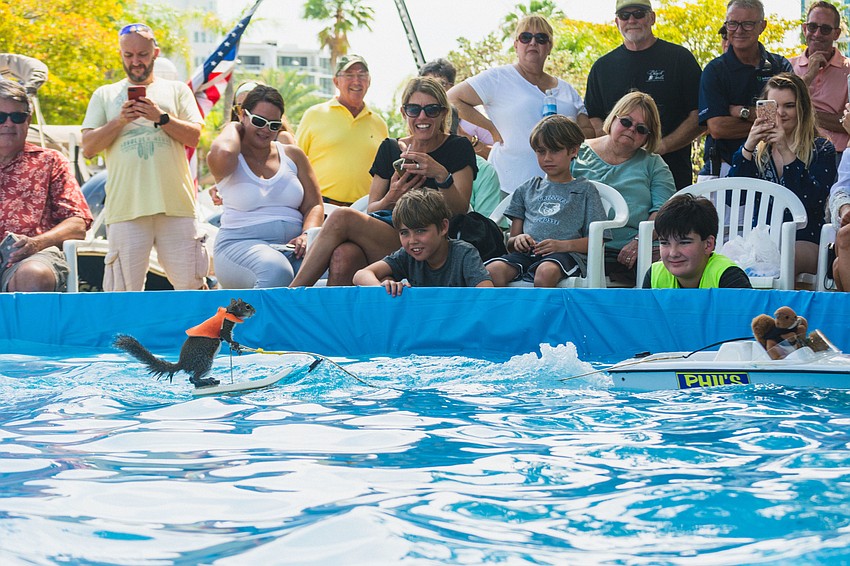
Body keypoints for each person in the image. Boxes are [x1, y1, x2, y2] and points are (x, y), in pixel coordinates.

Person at [290, 77, 476, 287]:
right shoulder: (390, 148)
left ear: (443, 113)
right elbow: (373, 208)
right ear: (404, 113)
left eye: (431, 109)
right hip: (393, 234)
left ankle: (291, 296)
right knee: (345, 254)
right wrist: (392, 196)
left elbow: (461, 209)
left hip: (434, 241)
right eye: (414, 109)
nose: (422, 116)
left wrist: (441, 175)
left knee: (342, 216)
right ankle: (336, 319)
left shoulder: (458, 147)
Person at [81, 23, 208, 291]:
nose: (136, 62)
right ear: (121, 55)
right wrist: (119, 121)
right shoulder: (104, 94)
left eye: (142, 54)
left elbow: (195, 138)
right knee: (123, 294)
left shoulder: (177, 90)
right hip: (126, 209)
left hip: (177, 207)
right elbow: (89, 148)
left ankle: (200, 335)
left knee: (191, 287)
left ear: (155, 53)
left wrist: (160, 117)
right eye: (129, 55)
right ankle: (125, 336)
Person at [448, 15, 594, 195]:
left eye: (541, 38)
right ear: (516, 45)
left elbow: (587, 130)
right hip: (508, 186)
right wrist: (492, 129)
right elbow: (450, 98)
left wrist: (566, 132)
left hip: (560, 188)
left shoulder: (566, 89)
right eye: (526, 37)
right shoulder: (498, 78)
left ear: (549, 47)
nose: (533, 42)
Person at [206, 85, 324, 288]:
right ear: (243, 115)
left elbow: (314, 204)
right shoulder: (231, 157)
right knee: (276, 270)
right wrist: (234, 126)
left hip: (294, 249)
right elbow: (223, 152)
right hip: (239, 247)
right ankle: (257, 321)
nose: (266, 130)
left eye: (274, 124)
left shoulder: (293, 155)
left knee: (340, 263)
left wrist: (307, 234)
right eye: (259, 121)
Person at [584, 0, 703, 190]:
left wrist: (661, 146)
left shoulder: (679, 59)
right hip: (614, 179)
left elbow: (700, 116)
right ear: (617, 22)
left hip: (671, 173)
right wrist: (618, 147)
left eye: (639, 13)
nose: (632, 20)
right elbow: (593, 117)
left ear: (652, 17)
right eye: (625, 15)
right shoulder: (602, 67)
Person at [728, 72, 835, 277]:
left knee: (782, 259)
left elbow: (811, 199)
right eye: (773, 106)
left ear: (802, 108)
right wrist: (748, 146)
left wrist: (786, 151)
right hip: (760, 241)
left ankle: (782, 309)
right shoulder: (757, 153)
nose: (780, 113)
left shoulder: (821, 148)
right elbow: (735, 198)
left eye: (789, 106)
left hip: (805, 240)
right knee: (727, 263)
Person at [486, 115, 609, 287]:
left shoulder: (585, 190)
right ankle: (505, 314)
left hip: (565, 256)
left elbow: (598, 239)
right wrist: (519, 240)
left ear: (573, 150)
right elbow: (512, 243)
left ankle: (542, 314)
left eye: (555, 150)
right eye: (541, 151)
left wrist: (561, 246)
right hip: (527, 255)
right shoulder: (527, 189)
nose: (547, 158)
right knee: (492, 271)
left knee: (545, 272)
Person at [571, 91, 676, 284]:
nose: (631, 130)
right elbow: (552, 193)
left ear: (647, 137)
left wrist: (639, 242)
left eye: (642, 129)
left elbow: (663, 213)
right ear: (613, 119)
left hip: (638, 250)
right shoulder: (576, 152)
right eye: (626, 122)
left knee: (670, 269)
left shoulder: (654, 164)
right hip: (580, 246)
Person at [0, 81, 92, 292]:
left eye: (17, 117)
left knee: (33, 275)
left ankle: (30, 327)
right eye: (0, 117)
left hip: (32, 257)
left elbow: (77, 225)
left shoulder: (50, 161)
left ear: (28, 120)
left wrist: (36, 243)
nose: (8, 123)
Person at [698, 0, 792, 178]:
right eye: (732, 23)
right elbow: (718, 128)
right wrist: (769, 120)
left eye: (748, 24)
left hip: (774, 166)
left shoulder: (780, 65)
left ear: (762, 26)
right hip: (723, 168)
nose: (739, 30)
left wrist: (742, 112)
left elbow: (792, 120)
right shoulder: (714, 71)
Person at [353, 190, 493, 296]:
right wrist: (385, 287)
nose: (412, 241)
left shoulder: (464, 254)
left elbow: (487, 294)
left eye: (420, 231)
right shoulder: (406, 256)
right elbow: (361, 275)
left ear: (444, 227)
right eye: (404, 233)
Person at [295, 54, 388, 206]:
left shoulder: (379, 124)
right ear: (336, 81)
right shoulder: (314, 114)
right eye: (349, 75)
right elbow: (295, 162)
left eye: (362, 75)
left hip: (365, 210)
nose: (356, 81)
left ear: (369, 81)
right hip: (323, 206)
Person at [419, 58, 501, 217]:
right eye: (428, 84)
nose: (434, 91)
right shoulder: (420, 124)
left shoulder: (474, 120)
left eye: (441, 84)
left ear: (452, 87)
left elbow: (497, 152)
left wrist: (469, 142)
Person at [642, 193, 751, 288]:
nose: (673, 253)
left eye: (684, 243)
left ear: (708, 244)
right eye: (665, 243)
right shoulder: (654, 276)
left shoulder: (729, 277)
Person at [790, 1, 850, 163]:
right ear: (804, 29)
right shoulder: (787, 65)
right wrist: (810, 73)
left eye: (825, 29)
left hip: (836, 154)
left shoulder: (848, 69)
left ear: (836, 34)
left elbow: (848, 122)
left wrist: (801, 112)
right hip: (793, 151)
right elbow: (778, 112)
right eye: (812, 27)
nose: (817, 34)